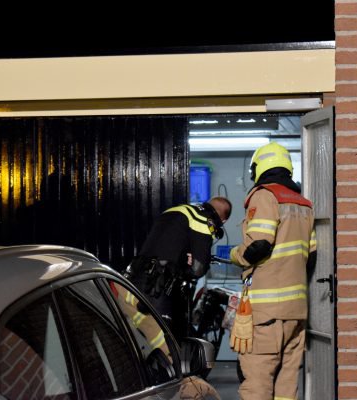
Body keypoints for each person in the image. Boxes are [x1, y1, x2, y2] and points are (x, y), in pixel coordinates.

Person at [230, 141, 316, 400]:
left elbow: (259, 246)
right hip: (296, 312)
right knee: (286, 387)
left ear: (259, 168)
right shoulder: (303, 204)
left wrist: (235, 255)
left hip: (266, 313)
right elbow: (310, 256)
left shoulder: (264, 196)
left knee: (257, 383)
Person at [126, 196, 232, 339]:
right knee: (164, 336)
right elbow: (198, 268)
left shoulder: (179, 210)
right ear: (223, 221)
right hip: (158, 285)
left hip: (136, 275)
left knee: (137, 331)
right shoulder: (203, 220)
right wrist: (188, 269)